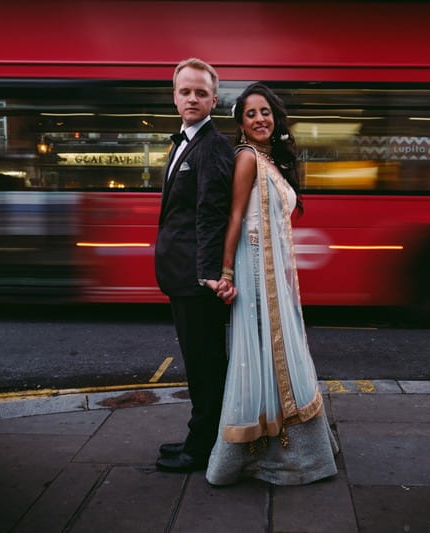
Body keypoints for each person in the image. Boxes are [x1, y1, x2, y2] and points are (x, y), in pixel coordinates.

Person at [205, 83, 338, 485]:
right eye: (251, 114)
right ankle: (254, 451)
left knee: (276, 351)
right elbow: (234, 218)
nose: (260, 119)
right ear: (241, 124)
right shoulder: (246, 159)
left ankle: (290, 441)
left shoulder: (269, 160)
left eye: (266, 112)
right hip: (255, 274)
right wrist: (227, 272)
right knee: (264, 354)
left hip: (274, 275)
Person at [154, 58, 235, 473]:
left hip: (195, 279)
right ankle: (199, 435)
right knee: (199, 363)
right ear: (174, 96)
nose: (192, 98)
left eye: (201, 92)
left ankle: (202, 447)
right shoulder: (184, 141)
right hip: (182, 275)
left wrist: (208, 274)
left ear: (214, 100)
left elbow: (211, 214)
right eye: (185, 91)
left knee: (205, 367)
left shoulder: (214, 147)